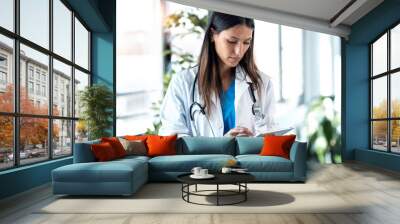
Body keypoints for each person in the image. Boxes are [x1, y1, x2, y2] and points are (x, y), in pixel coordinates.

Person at [159, 12, 277, 137]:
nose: (239, 51)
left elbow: (269, 137)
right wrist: (223, 144)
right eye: (232, 41)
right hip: (200, 158)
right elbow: (173, 140)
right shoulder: (183, 82)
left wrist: (251, 142)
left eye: (246, 42)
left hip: (247, 157)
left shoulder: (263, 83)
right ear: (212, 35)